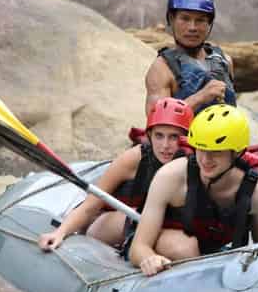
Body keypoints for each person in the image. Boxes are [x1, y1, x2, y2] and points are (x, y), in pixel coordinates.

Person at [129, 104, 258, 276]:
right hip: (168, 243)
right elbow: (138, 247)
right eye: (201, 148)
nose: (205, 159)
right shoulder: (170, 177)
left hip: (214, 254)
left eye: (216, 151)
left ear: (237, 153)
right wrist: (149, 259)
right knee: (185, 248)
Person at [37, 97, 193, 252]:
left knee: (184, 246)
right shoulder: (135, 158)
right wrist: (60, 232)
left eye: (174, 137)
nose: (165, 145)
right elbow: (90, 206)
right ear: (150, 135)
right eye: (159, 135)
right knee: (122, 223)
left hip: (156, 225)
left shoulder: (196, 161)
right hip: (108, 222)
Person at [144, 0, 237, 115]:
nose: (192, 27)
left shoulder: (225, 61)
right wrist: (200, 97)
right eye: (185, 19)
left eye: (200, 20)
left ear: (209, 23)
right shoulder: (161, 69)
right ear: (172, 19)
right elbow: (157, 121)